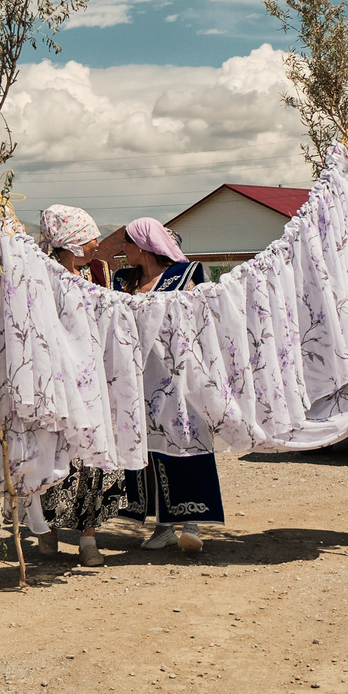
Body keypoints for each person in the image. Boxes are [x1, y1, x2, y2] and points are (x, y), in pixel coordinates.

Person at [121, 216, 222, 555]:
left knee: (185, 441)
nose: (123, 250)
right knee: (152, 451)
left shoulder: (185, 275)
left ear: (142, 245)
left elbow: (200, 321)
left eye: (127, 242)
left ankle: (191, 524)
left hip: (179, 376)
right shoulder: (124, 280)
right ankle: (163, 527)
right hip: (139, 379)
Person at [35, 204, 126, 566]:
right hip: (58, 379)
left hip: (94, 379)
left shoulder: (97, 272)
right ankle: (48, 529)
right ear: (71, 241)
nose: (96, 244)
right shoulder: (42, 276)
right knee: (56, 452)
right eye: (89, 237)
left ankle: (88, 536)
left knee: (92, 456)